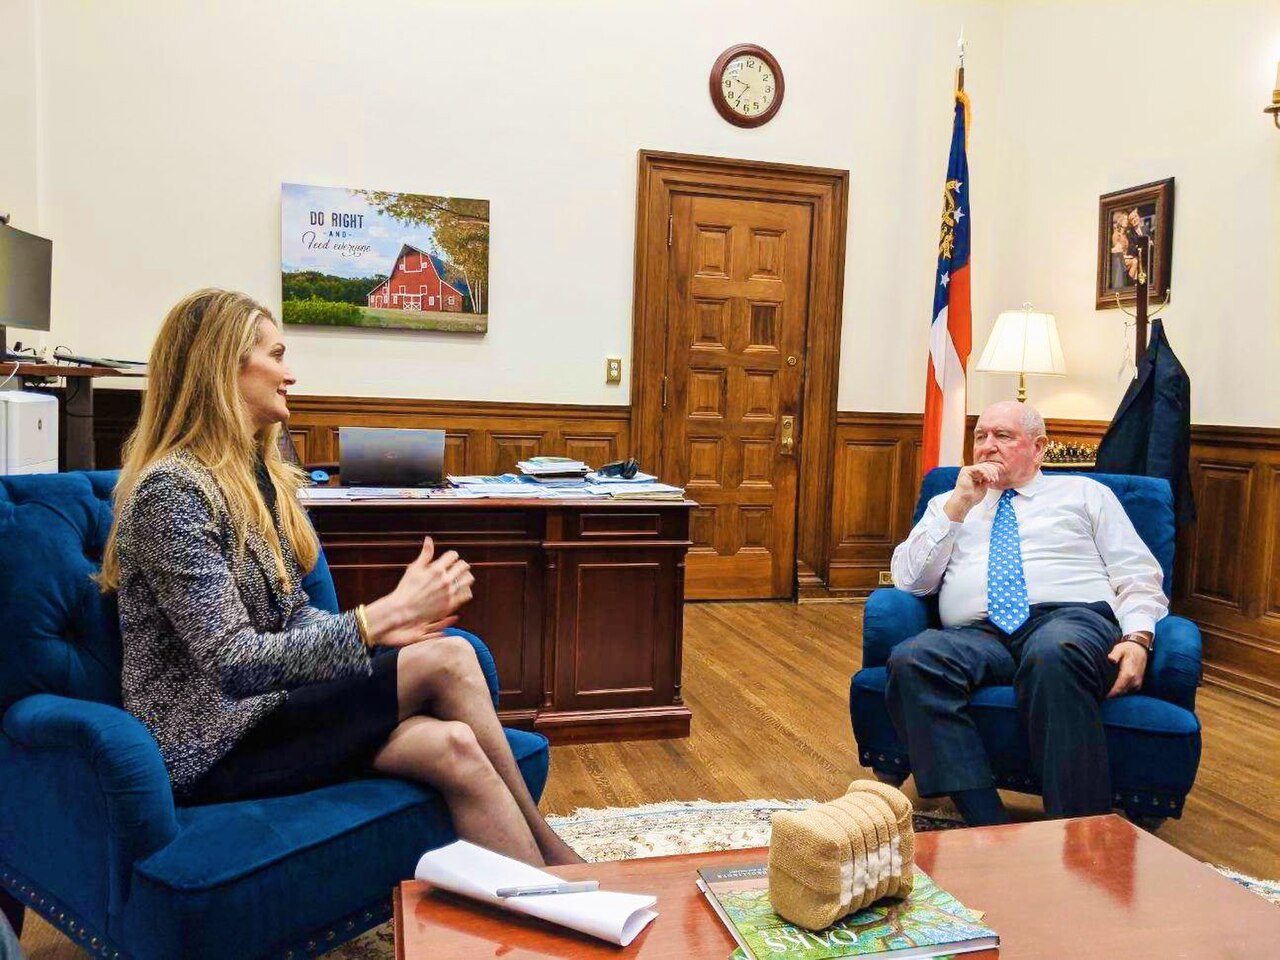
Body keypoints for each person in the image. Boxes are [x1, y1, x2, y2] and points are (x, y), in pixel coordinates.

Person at [96, 288, 581, 866]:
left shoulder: (256, 477)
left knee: (454, 745)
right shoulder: (171, 492)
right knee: (450, 658)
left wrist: (374, 634)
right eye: (276, 355)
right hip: (213, 746)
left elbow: (291, 613)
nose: (289, 374)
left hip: (275, 713)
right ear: (223, 367)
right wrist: (382, 618)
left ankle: (538, 919)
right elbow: (234, 663)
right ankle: (559, 863)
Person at [885, 400, 1166, 826]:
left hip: (1069, 621)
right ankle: (987, 826)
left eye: (1003, 436)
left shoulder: (1085, 494)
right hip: (981, 634)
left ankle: (1080, 831)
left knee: (1053, 652)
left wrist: (1138, 638)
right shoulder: (951, 501)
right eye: (980, 436)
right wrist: (957, 509)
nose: (988, 447)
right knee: (912, 659)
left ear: (1038, 448)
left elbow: (1138, 574)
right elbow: (910, 582)